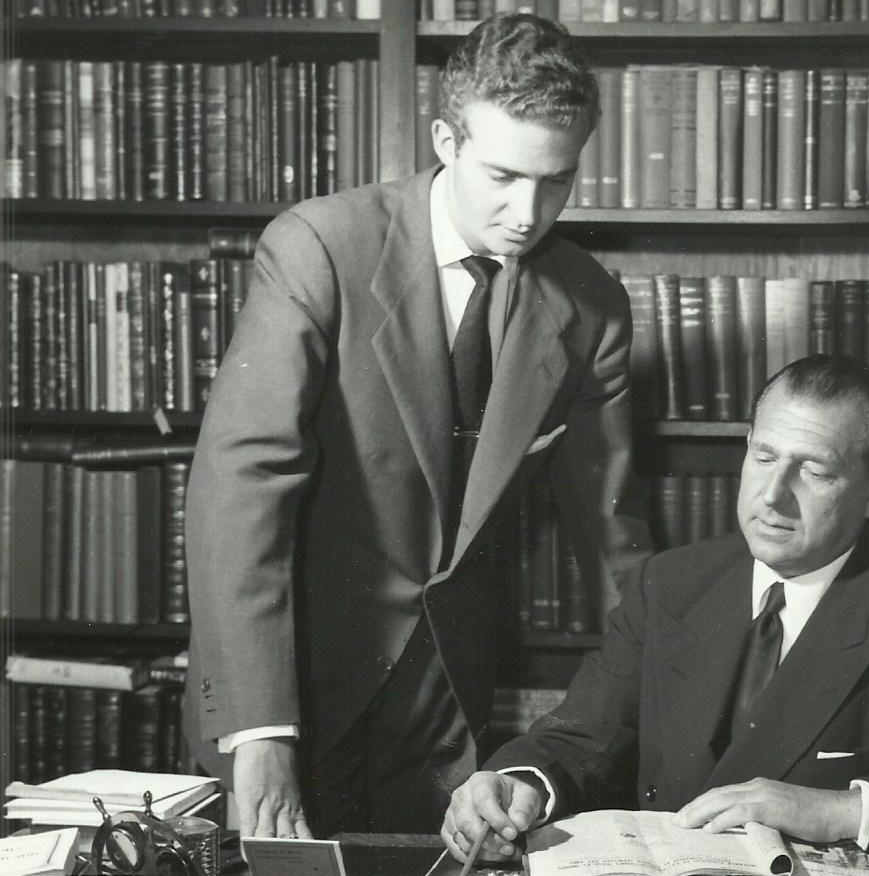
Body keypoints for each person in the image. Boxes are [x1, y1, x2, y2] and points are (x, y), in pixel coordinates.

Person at [182, 13, 651, 840]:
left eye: (557, 181)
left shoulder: (592, 305)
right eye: (503, 175)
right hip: (291, 686)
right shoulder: (320, 247)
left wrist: (676, 693)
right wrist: (259, 730)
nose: (528, 212)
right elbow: (241, 489)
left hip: (445, 714)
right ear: (445, 140)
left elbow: (613, 537)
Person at [442, 355, 869, 863]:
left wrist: (840, 810)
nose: (772, 496)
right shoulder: (672, 582)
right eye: (763, 457)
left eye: (813, 471)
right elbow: (580, 737)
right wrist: (517, 784)